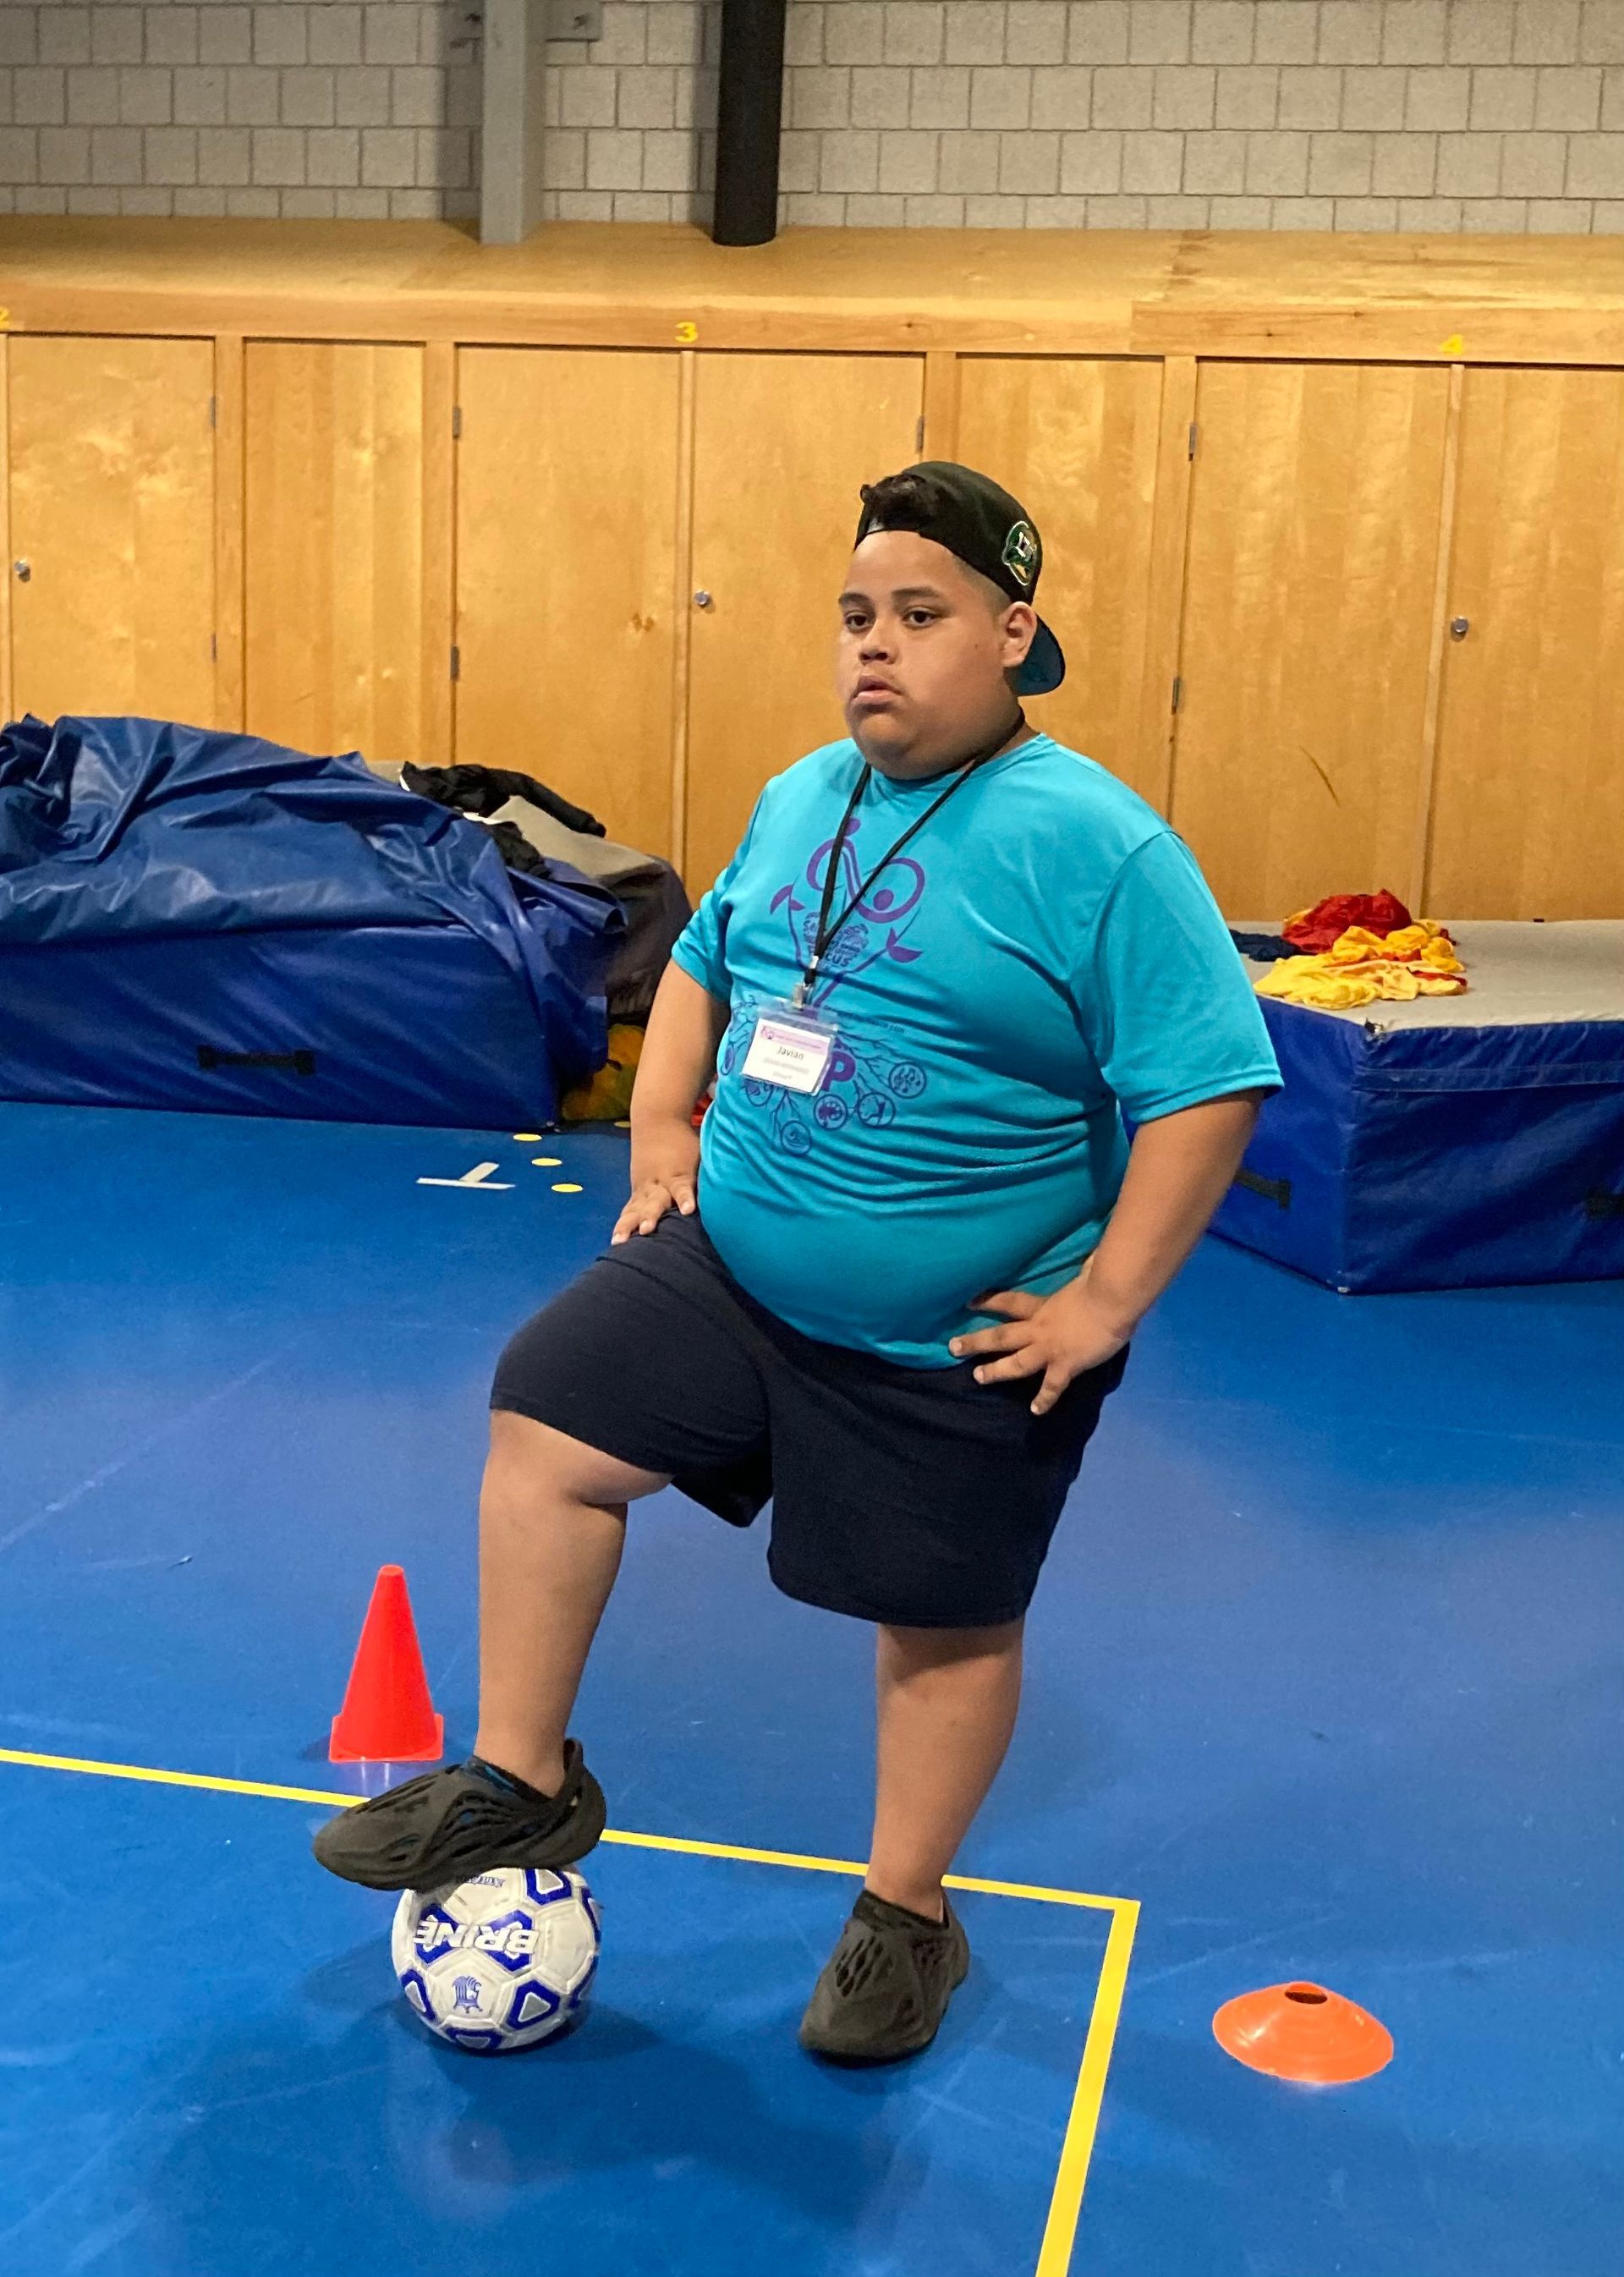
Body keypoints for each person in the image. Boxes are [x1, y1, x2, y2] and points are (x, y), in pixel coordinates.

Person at [314, 462, 1281, 2065]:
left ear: (1011, 634)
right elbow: (700, 960)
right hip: (738, 1272)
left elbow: (1209, 1077)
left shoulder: (1098, 845)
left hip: (948, 1343)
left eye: (919, 614)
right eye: (853, 617)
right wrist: (665, 1135)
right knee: (545, 1418)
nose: (873, 650)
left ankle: (908, 1917)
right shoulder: (799, 796)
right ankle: (520, 1783)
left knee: (944, 1626)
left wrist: (1108, 1301)